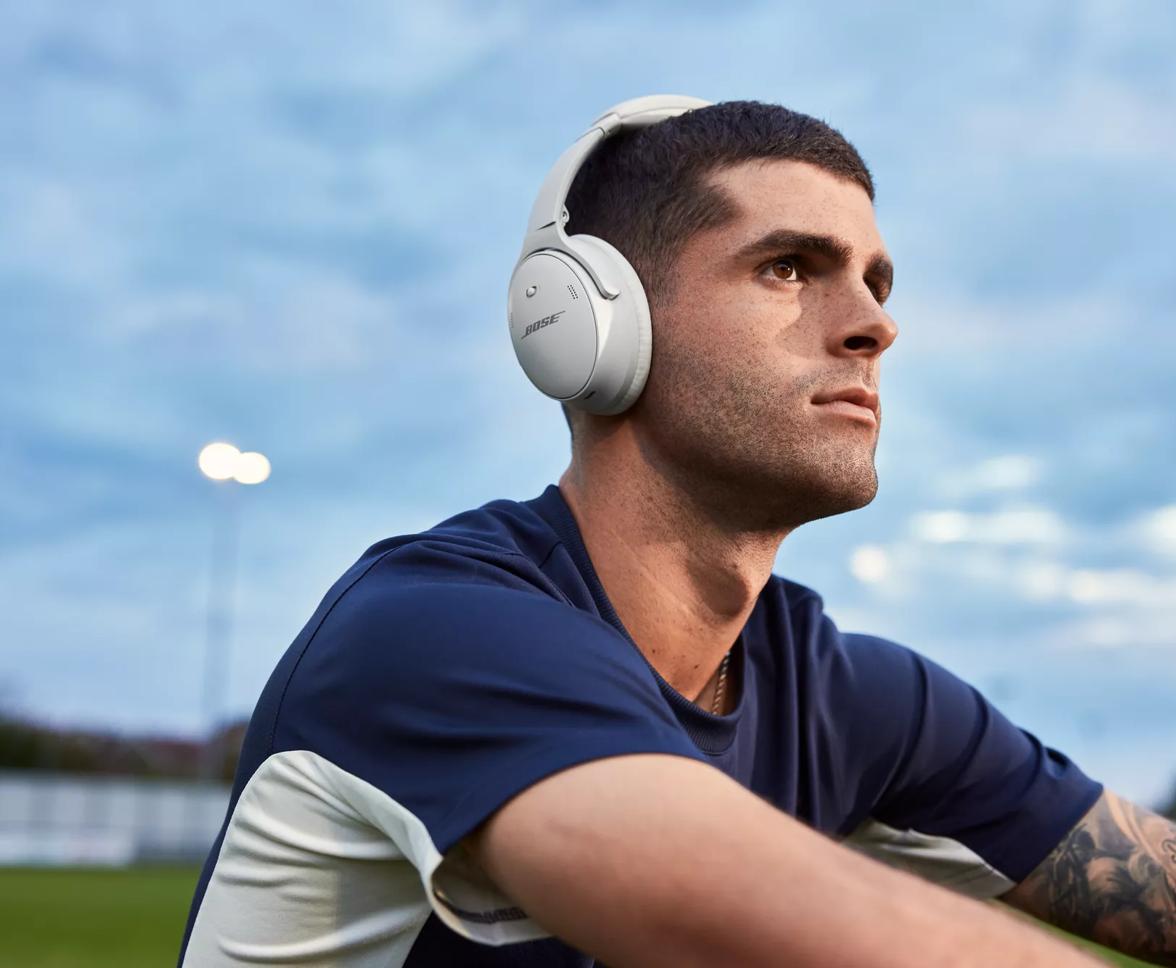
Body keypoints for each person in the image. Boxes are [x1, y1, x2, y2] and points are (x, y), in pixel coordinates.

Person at [178, 96, 1176, 967]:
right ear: (588, 325)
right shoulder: (433, 634)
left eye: (877, 280)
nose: (875, 323)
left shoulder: (857, 702)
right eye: (790, 267)